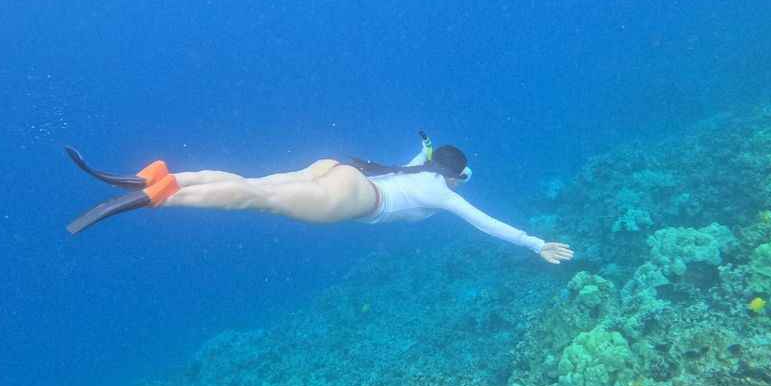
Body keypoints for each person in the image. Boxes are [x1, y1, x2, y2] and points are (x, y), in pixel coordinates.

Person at [65, 132, 574, 264]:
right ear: (456, 175)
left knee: (255, 182)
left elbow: (418, 155)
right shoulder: (442, 192)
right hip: (354, 198)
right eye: (464, 177)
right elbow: (485, 223)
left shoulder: (419, 167)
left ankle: (156, 177)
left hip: (338, 167)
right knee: (252, 198)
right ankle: (160, 198)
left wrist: (424, 147)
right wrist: (534, 243)